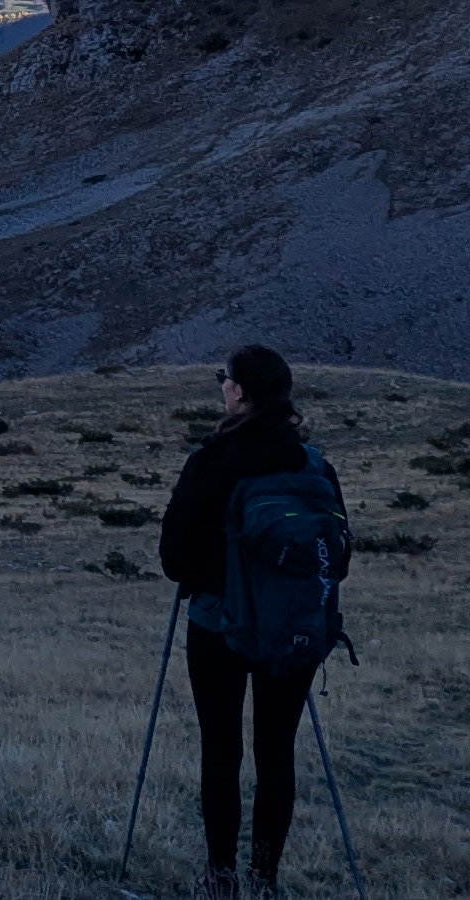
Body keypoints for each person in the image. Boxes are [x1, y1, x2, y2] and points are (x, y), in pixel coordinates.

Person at [157, 345, 318, 899]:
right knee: (278, 751)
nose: (221, 385)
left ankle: (221, 877)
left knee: (220, 747)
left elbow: (174, 559)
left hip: (216, 625)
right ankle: (266, 880)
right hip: (290, 628)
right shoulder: (309, 463)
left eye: (225, 378)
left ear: (240, 393)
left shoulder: (210, 462)